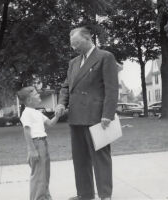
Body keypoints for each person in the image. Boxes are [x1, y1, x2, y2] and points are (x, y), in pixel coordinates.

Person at [56, 26, 119, 200]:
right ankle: (84, 194)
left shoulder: (105, 57)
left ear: (88, 38)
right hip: (76, 117)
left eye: (76, 43)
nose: (74, 47)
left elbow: (112, 88)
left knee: (101, 158)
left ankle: (105, 195)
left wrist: (108, 114)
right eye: (72, 45)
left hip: (97, 117)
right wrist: (61, 104)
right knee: (80, 159)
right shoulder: (73, 63)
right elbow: (66, 87)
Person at [17, 86, 61, 200]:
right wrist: (31, 150)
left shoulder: (37, 113)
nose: (39, 95)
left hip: (43, 143)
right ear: (29, 100)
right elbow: (27, 131)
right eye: (36, 94)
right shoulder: (27, 113)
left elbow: (50, 124)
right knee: (38, 176)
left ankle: (46, 197)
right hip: (36, 144)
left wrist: (57, 115)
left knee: (45, 174)